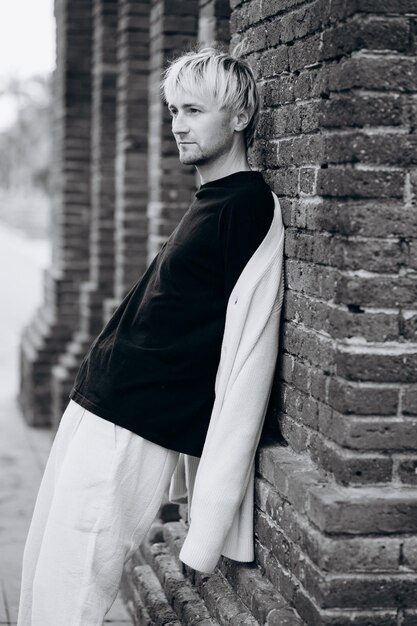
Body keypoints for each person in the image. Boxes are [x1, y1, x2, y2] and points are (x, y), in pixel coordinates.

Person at [17, 46, 285, 626]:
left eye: (193, 110)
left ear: (239, 117)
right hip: (99, 405)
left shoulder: (246, 206)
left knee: (73, 590)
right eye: (172, 111)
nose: (178, 126)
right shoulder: (210, 199)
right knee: (45, 569)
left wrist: (208, 521)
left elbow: (251, 356)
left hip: (134, 424)